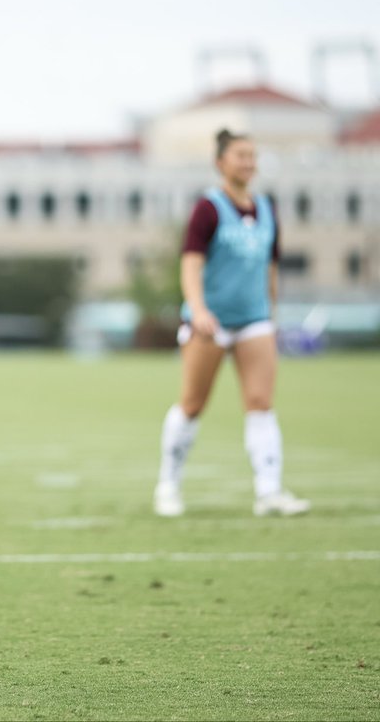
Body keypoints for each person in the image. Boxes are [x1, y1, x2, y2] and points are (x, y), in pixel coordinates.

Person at [153, 129, 310, 518]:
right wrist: (199, 310)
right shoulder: (208, 209)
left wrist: (271, 315)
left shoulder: (268, 209)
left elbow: (269, 268)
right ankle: (168, 485)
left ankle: (269, 491)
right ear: (221, 162)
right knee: (192, 404)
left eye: (252, 155)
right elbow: (191, 263)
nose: (248, 162)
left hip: (254, 320)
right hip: (210, 323)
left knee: (260, 403)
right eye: (240, 155)